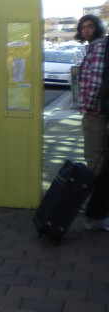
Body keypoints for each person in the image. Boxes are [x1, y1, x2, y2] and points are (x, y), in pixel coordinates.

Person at [75, 14, 109, 231]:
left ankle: (95, 214)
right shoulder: (96, 48)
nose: (87, 30)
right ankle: (97, 211)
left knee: (95, 163)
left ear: (97, 28)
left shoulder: (98, 49)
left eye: (90, 26)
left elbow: (95, 84)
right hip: (98, 113)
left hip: (95, 114)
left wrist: (89, 108)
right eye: (83, 27)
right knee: (99, 162)